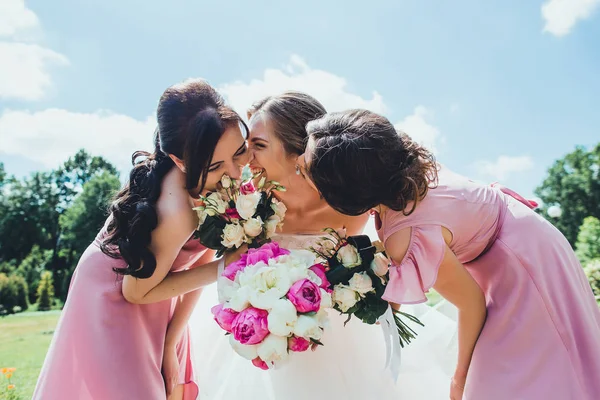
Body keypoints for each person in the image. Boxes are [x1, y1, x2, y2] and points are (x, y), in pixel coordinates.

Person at [301, 108, 600, 399]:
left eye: (308, 165)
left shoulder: (404, 234)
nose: (301, 164)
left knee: (529, 371)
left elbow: (472, 304)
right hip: (526, 238)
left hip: (522, 263)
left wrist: (460, 379)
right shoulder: (400, 171)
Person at [190, 93, 456, 399]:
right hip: (268, 336)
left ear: (296, 150)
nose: (246, 159)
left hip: (340, 338)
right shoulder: (248, 204)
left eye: (259, 146)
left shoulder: (350, 199)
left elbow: (396, 261)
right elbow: (228, 265)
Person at [33, 79, 249, 400]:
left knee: (170, 381)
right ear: (179, 160)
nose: (234, 172)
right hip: (114, 297)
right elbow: (135, 292)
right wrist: (227, 266)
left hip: (156, 292)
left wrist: (171, 340)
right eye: (216, 165)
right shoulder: (176, 212)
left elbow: (200, 255)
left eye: (240, 152)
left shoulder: (207, 181)